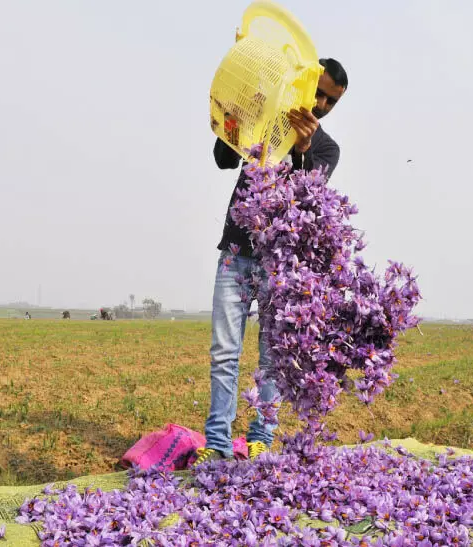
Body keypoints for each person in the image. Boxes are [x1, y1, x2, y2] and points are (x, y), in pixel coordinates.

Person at [197, 58, 349, 465]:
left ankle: (260, 438)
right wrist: (242, 111)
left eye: (330, 101)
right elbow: (224, 159)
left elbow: (305, 199)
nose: (320, 103)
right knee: (225, 352)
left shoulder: (325, 148)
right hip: (235, 252)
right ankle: (217, 443)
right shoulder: (267, 120)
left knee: (270, 359)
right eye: (317, 91)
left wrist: (300, 152)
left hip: (279, 268)